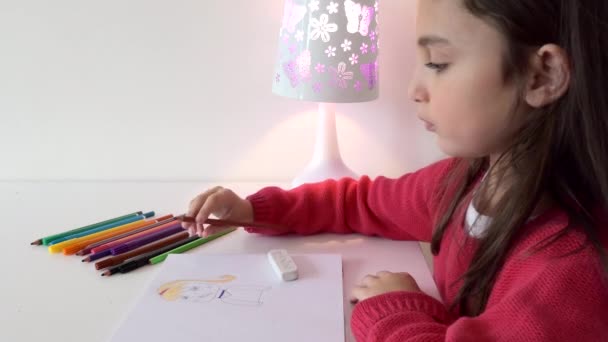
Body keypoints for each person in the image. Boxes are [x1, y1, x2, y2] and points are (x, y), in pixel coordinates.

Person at [183, 0, 608, 340]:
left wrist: (397, 309)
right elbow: (358, 201)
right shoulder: (460, 183)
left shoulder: (571, 274)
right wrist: (257, 210)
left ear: (542, 75)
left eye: (438, 62)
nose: (413, 91)